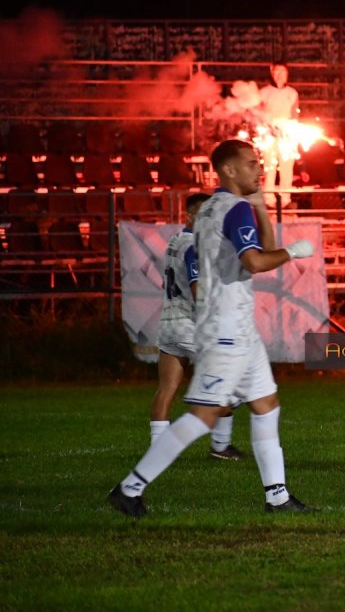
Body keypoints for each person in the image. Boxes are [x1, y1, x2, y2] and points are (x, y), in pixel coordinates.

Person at [108, 139, 316, 518]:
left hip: (236, 325)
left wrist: (260, 205)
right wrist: (294, 252)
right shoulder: (233, 209)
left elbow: (258, 244)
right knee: (205, 415)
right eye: (252, 164)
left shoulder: (211, 209)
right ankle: (130, 487)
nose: (259, 169)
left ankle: (278, 497)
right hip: (225, 327)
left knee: (266, 406)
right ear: (229, 170)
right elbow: (255, 260)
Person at [152, 192, 244, 460]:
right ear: (190, 216)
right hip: (190, 326)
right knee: (227, 385)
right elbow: (197, 290)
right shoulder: (194, 245)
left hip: (168, 323)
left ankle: (158, 450)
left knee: (166, 390)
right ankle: (220, 446)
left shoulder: (175, 241)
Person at [259, 61, 300, 209]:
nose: (279, 75)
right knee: (269, 166)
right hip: (268, 134)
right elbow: (259, 113)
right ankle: (268, 199)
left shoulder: (292, 93)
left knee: (286, 167)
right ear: (272, 72)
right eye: (276, 71)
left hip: (287, 134)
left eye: (282, 71)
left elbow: (295, 114)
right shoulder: (264, 92)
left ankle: (285, 199)